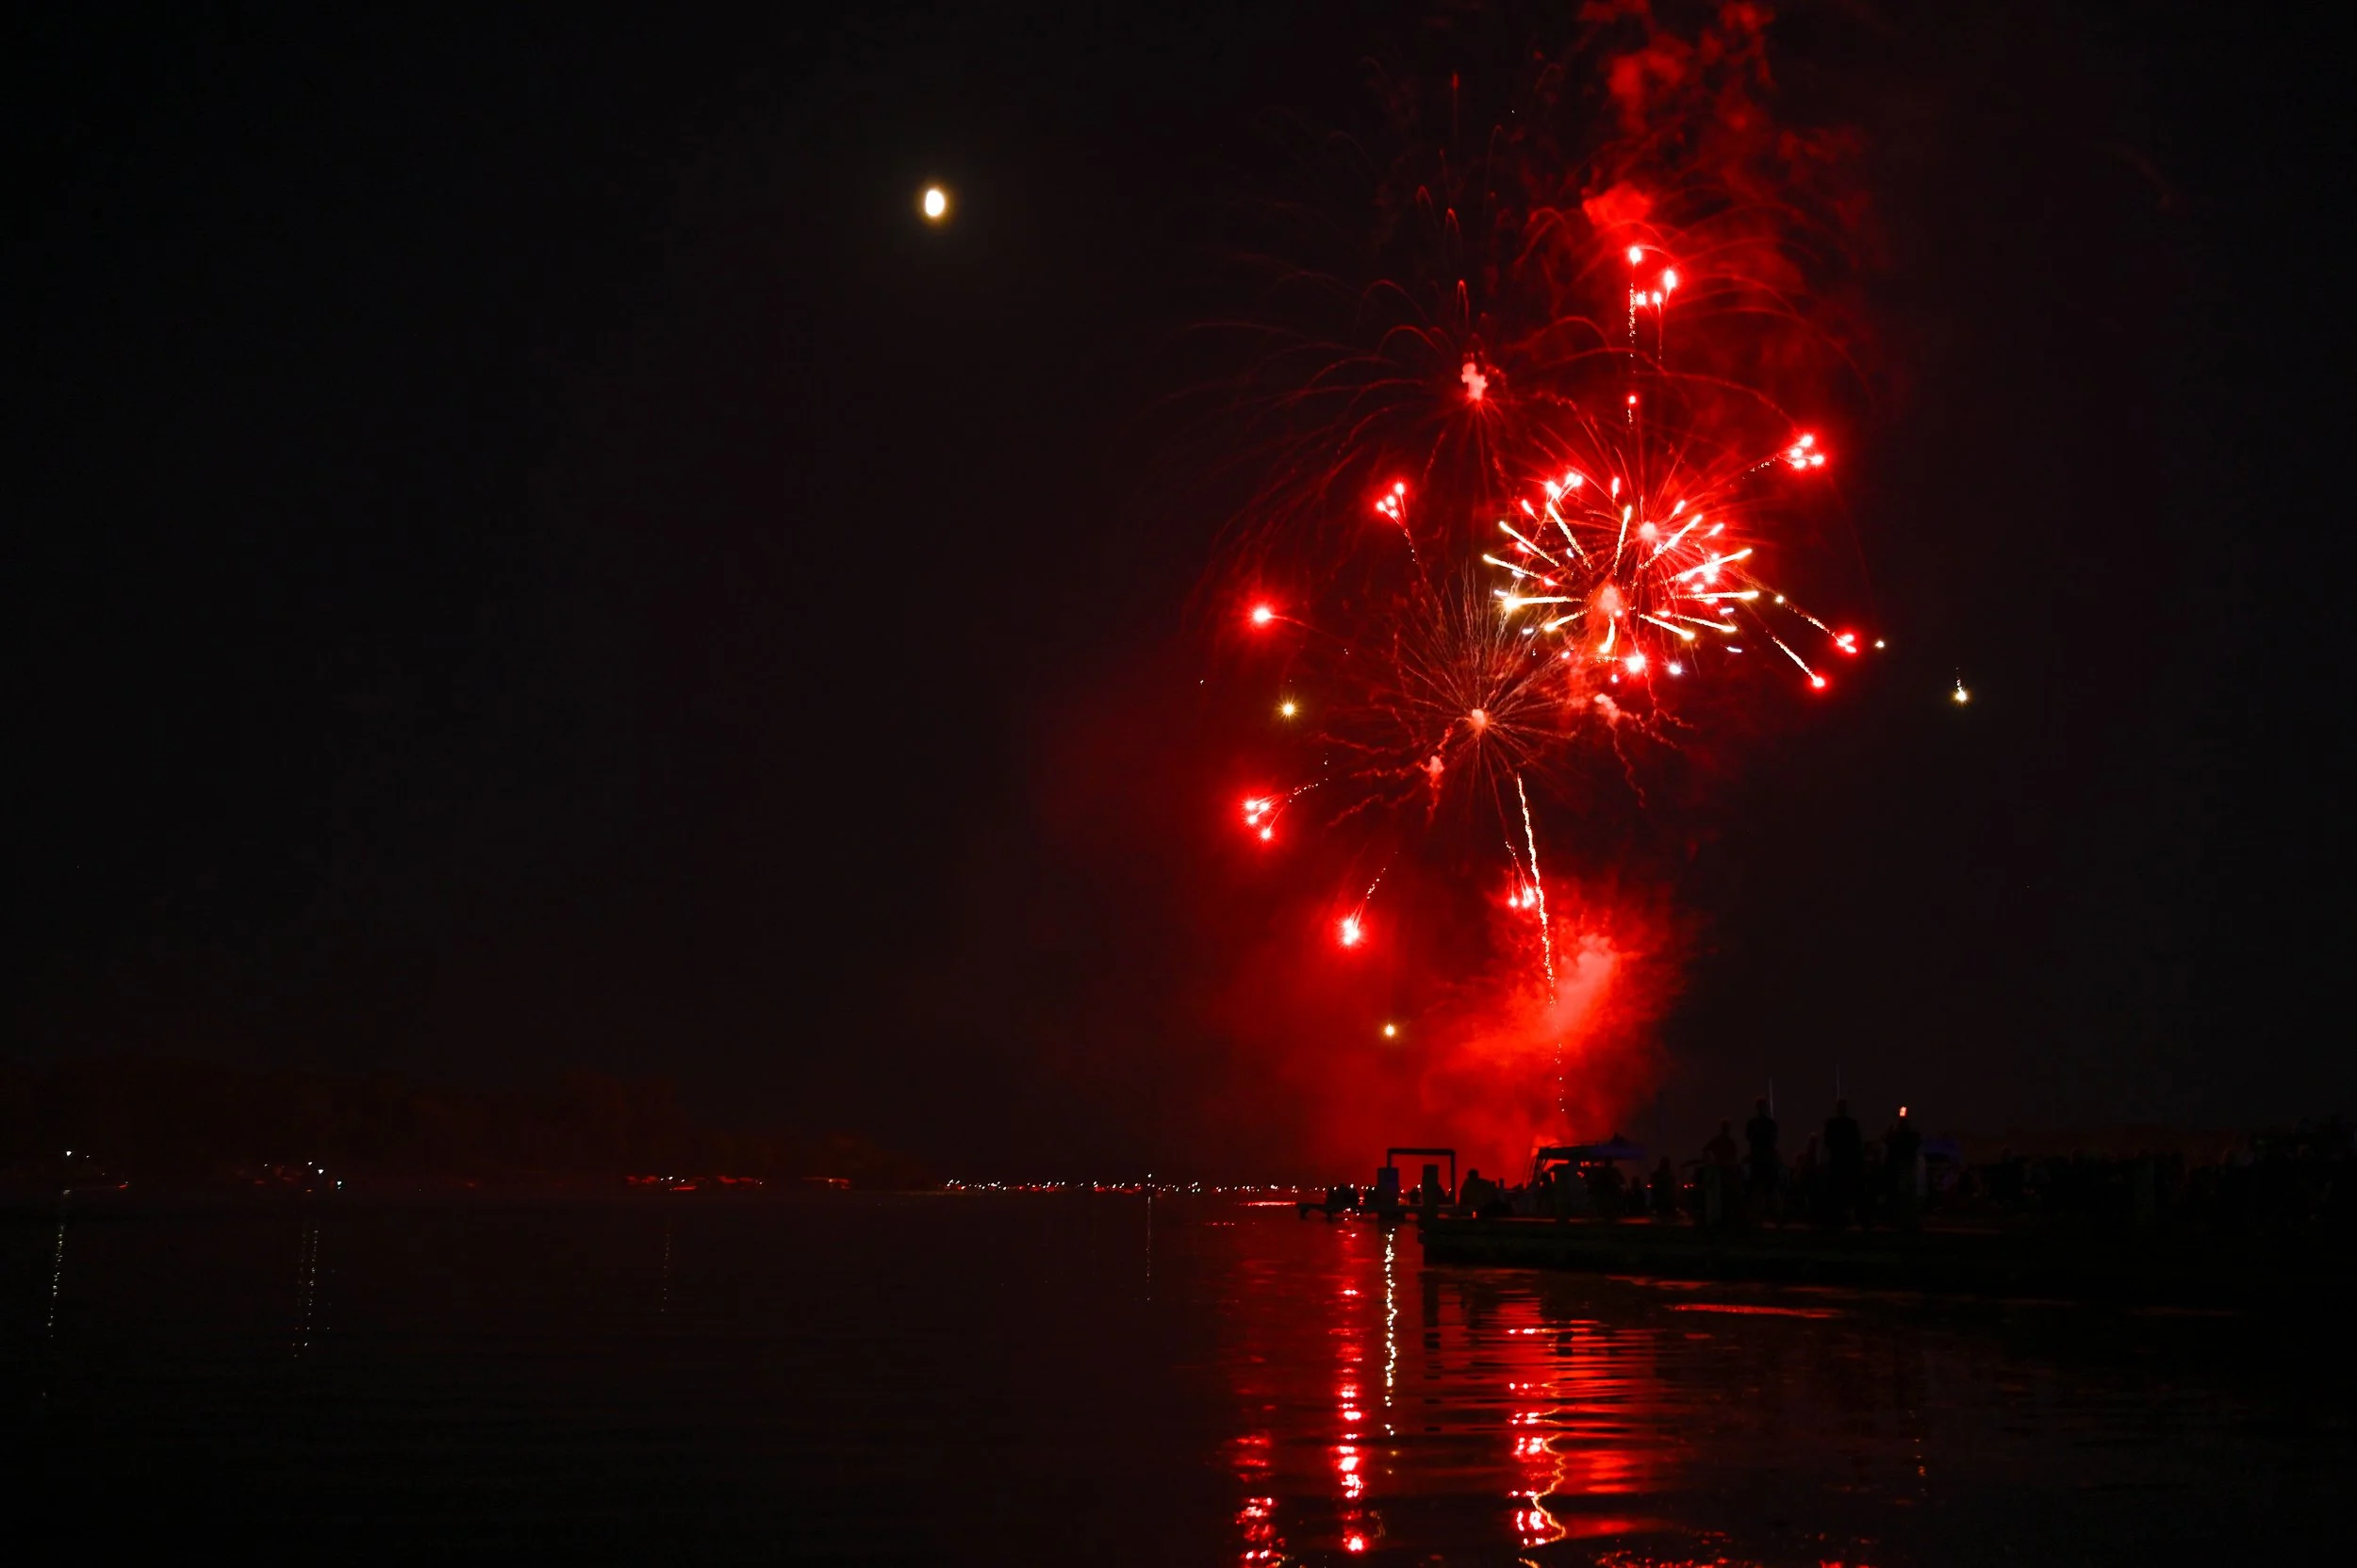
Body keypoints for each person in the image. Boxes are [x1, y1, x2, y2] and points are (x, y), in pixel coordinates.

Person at [1824, 1098, 1864, 1227]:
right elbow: (1857, 1144)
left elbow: (1827, 1142)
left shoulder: (1831, 1124)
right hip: (1848, 1163)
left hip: (1836, 1162)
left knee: (1836, 1191)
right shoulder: (1851, 1124)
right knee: (1847, 1191)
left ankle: (1836, 1218)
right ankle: (1847, 1219)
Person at [1746, 1098, 1781, 1215]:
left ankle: (1757, 1215)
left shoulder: (1752, 1124)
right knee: (1771, 1188)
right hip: (1769, 1160)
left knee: (1757, 1188)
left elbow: (1749, 1138)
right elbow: (1774, 1140)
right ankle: (1774, 1214)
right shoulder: (1771, 1124)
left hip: (1757, 1159)